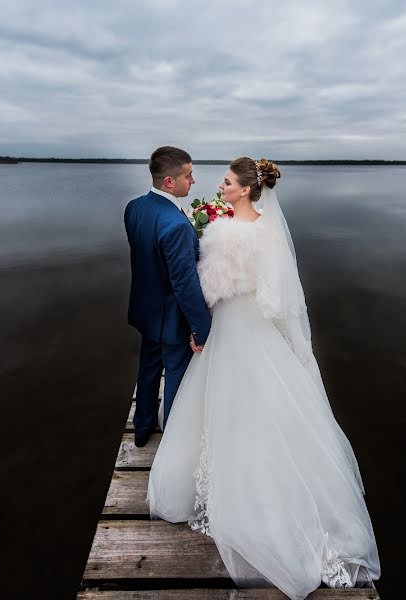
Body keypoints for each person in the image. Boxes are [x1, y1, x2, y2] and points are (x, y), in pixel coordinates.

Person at [147, 157, 380, 599]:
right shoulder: (269, 233)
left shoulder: (221, 231)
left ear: (246, 190)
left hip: (230, 325)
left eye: (228, 181)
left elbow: (211, 288)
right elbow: (275, 298)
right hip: (257, 324)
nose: (221, 185)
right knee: (268, 397)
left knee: (221, 396)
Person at [124, 146, 212, 447]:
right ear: (169, 183)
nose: (194, 182)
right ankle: (173, 443)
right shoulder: (176, 225)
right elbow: (184, 285)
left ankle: (142, 427)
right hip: (173, 320)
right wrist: (201, 328)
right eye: (189, 176)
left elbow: (147, 258)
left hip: (144, 311)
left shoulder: (134, 208)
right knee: (176, 376)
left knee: (148, 368)